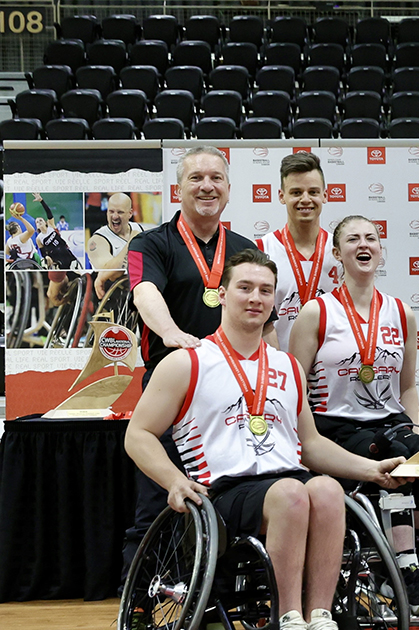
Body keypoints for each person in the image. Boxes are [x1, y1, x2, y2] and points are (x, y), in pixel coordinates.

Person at [125, 249, 406, 630]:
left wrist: (372, 470)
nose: (256, 298)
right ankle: (287, 616)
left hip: (288, 479)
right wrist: (174, 481)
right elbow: (137, 435)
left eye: (265, 290)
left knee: (326, 490)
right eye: (245, 288)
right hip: (224, 491)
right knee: (292, 494)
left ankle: (320, 615)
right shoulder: (187, 362)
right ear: (222, 294)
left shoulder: (287, 364)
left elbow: (311, 445)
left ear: (274, 301)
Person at [289, 215, 419, 615]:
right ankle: (401, 571)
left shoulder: (401, 313)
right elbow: (291, 385)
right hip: (336, 426)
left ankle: (406, 553)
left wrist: (413, 431)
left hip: (391, 421)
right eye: (352, 239)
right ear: (336, 253)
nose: (364, 244)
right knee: (389, 458)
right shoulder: (317, 312)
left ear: (381, 250)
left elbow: (409, 386)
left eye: (372, 238)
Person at [123, 146, 274, 576]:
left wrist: (277, 369)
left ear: (228, 189)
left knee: (231, 495)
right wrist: (171, 333)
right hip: (176, 385)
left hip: (237, 392)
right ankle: (141, 601)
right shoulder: (149, 243)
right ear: (178, 188)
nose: (206, 186)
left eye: (216, 178)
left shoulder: (245, 248)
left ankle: (218, 595)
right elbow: (144, 293)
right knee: (159, 499)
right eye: (195, 178)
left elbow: (267, 324)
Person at [258, 152, 339, 352]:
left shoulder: (340, 251)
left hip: (331, 371)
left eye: (313, 192)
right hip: (279, 369)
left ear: (325, 196)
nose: (305, 199)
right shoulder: (261, 250)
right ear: (281, 196)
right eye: (296, 192)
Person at [88, 192, 143, 270]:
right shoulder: (97, 240)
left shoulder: (141, 229)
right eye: (111, 211)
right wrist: (132, 242)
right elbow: (108, 274)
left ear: (130, 213)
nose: (115, 216)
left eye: (120, 212)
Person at [29, 193, 77, 270]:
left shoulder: (51, 226)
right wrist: (47, 257)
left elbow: (49, 213)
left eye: (40, 220)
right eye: (37, 222)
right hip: (56, 258)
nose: (39, 222)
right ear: (36, 226)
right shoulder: (39, 238)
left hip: (65, 252)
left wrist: (41, 201)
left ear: (45, 222)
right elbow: (43, 252)